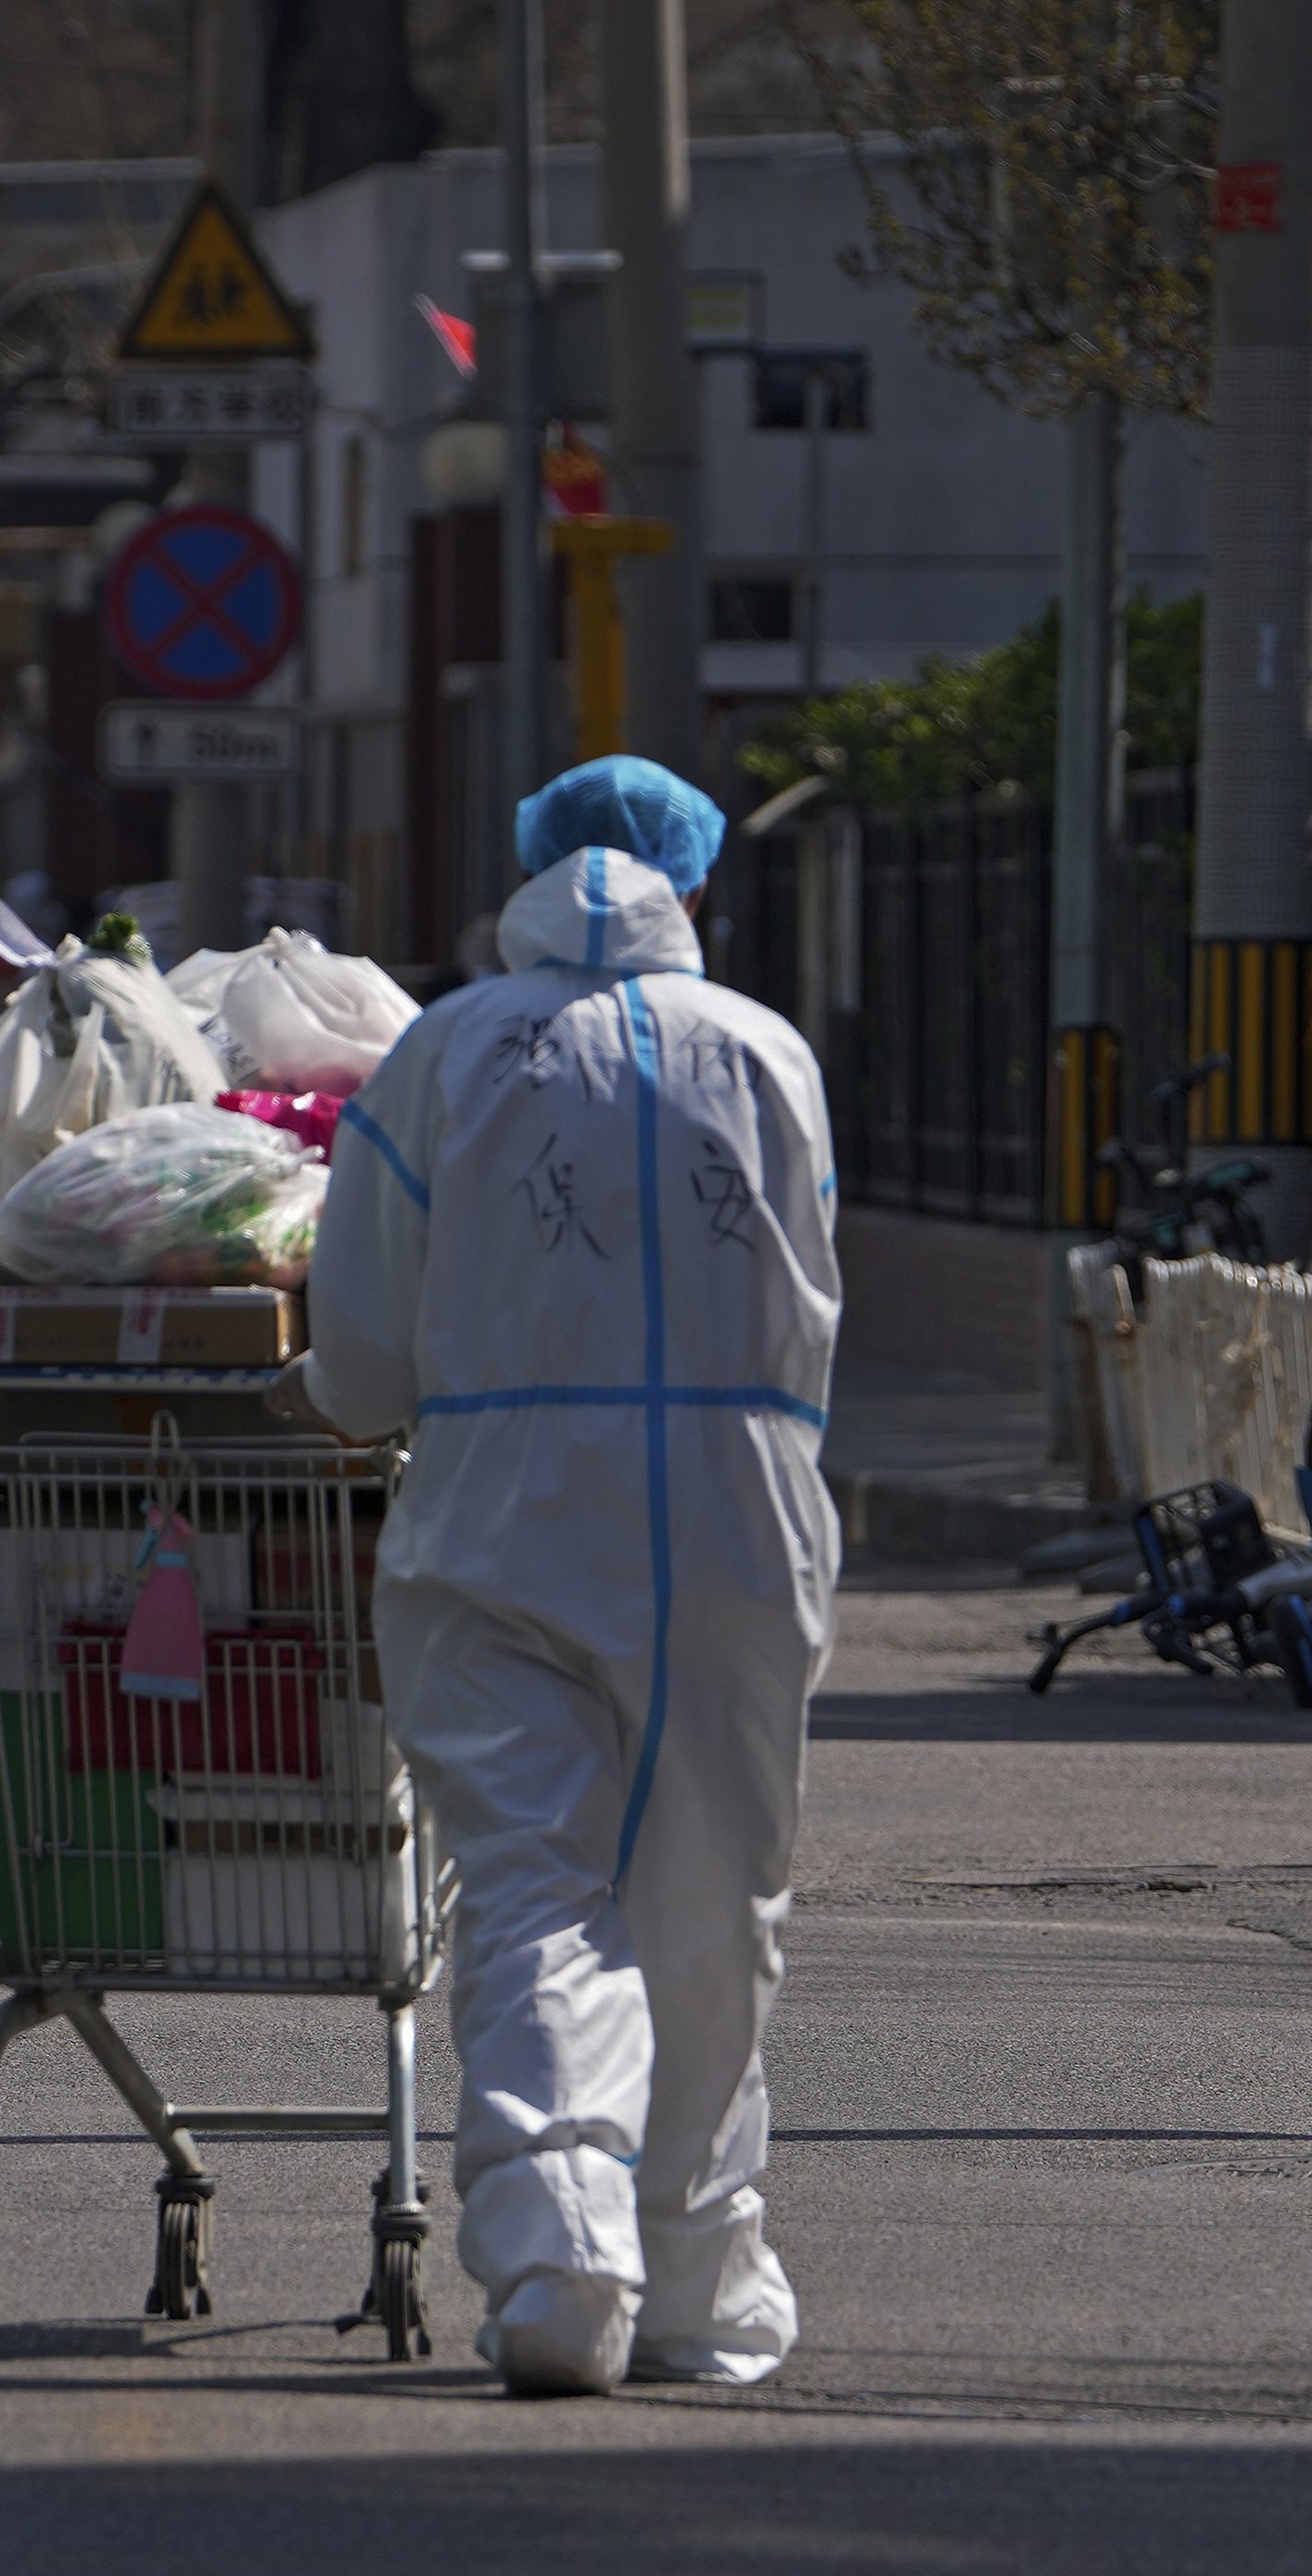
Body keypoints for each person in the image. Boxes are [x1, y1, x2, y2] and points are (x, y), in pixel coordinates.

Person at [294, 758, 842, 2398]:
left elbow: (367, 1349)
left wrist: (357, 1395)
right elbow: (815, 1292)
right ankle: (696, 2283)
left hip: (508, 1504)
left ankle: (556, 2253)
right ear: (696, 881)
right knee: (713, 1898)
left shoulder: (450, 1046)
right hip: (743, 1512)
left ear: (524, 872)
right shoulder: (767, 1049)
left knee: (535, 1877)